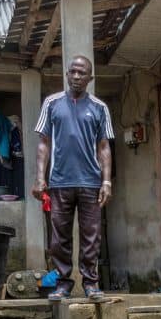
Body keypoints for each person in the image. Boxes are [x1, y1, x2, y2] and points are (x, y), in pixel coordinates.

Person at [32, 55, 113, 301]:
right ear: (67, 74)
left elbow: (104, 147)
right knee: (59, 237)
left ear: (90, 78)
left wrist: (106, 181)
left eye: (82, 73)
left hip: (90, 182)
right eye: (73, 72)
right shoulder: (52, 103)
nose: (77, 77)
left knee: (91, 235)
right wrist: (39, 177)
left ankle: (90, 284)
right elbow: (43, 143)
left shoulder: (99, 107)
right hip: (59, 182)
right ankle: (63, 284)